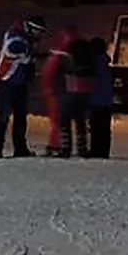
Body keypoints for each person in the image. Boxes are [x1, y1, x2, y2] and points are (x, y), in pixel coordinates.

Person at [0, 15, 45, 157]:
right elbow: (12, 49)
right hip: (7, 80)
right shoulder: (15, 35)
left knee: (20, 116)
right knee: (4, 115)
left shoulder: (26, 38)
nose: (39, 35)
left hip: (20, 81)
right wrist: (31, 54)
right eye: (38, 31)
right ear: (31, 28)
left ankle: (20, 148)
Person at [40, 26, 74, 157]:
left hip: (54, 92)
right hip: (58, 92)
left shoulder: (55, 57)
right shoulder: (64, 58)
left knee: (57, 120)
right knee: (59, 120)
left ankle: (56, 145)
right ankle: (58, 145)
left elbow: (47, 76)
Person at [63, 31, 95, 159]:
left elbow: (65, 69)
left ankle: (66, 148)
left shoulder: (70, 52)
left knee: (65, 120)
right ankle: (82, 148)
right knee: (80, 121)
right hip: (85, 89)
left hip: (72, 88)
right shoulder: (88, 53)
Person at [86, 37, 113, 159]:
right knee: (104, 128)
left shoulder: (95, 62)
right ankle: (103, 151)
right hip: (107, 100)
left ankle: (96, 150)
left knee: (96, 127)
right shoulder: (106, 62)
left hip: (97, 100)